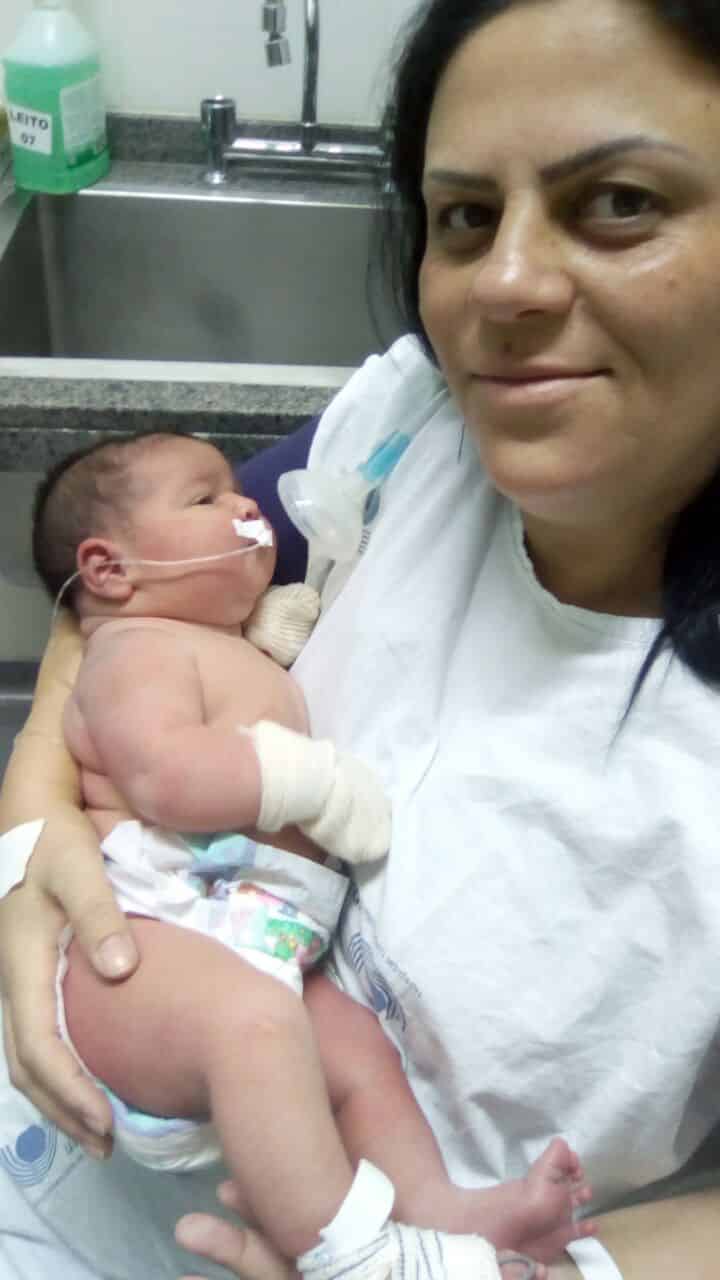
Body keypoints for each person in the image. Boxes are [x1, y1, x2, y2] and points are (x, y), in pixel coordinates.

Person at [4, 0, 720, 1278]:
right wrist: (33, 827)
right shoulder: (414, 436)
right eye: (467, 216)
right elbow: (114, 588)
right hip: (66, 1134)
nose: (506, 282)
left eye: (619, 203)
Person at [29, 429, 590, 1280]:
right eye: (207, 498)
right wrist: (314, 784)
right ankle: (351, 1254)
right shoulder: (133, 651)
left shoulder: (209, 641)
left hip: (258, 941)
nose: (246, 503)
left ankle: (438, 1208)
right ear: (108, 570)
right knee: (251, 1023)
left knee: (357, 1051)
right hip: (143, 947)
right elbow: (164, 775)